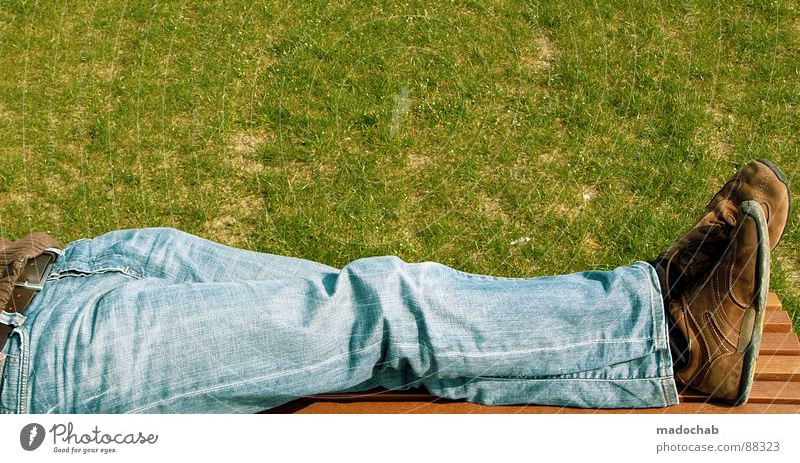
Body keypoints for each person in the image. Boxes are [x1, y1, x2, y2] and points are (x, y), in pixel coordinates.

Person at [0, 159, 791, 414]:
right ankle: (667, 327)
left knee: (379, 325)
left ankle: (650, 336)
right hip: (43, 368)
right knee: (382, 310)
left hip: (75, 271)